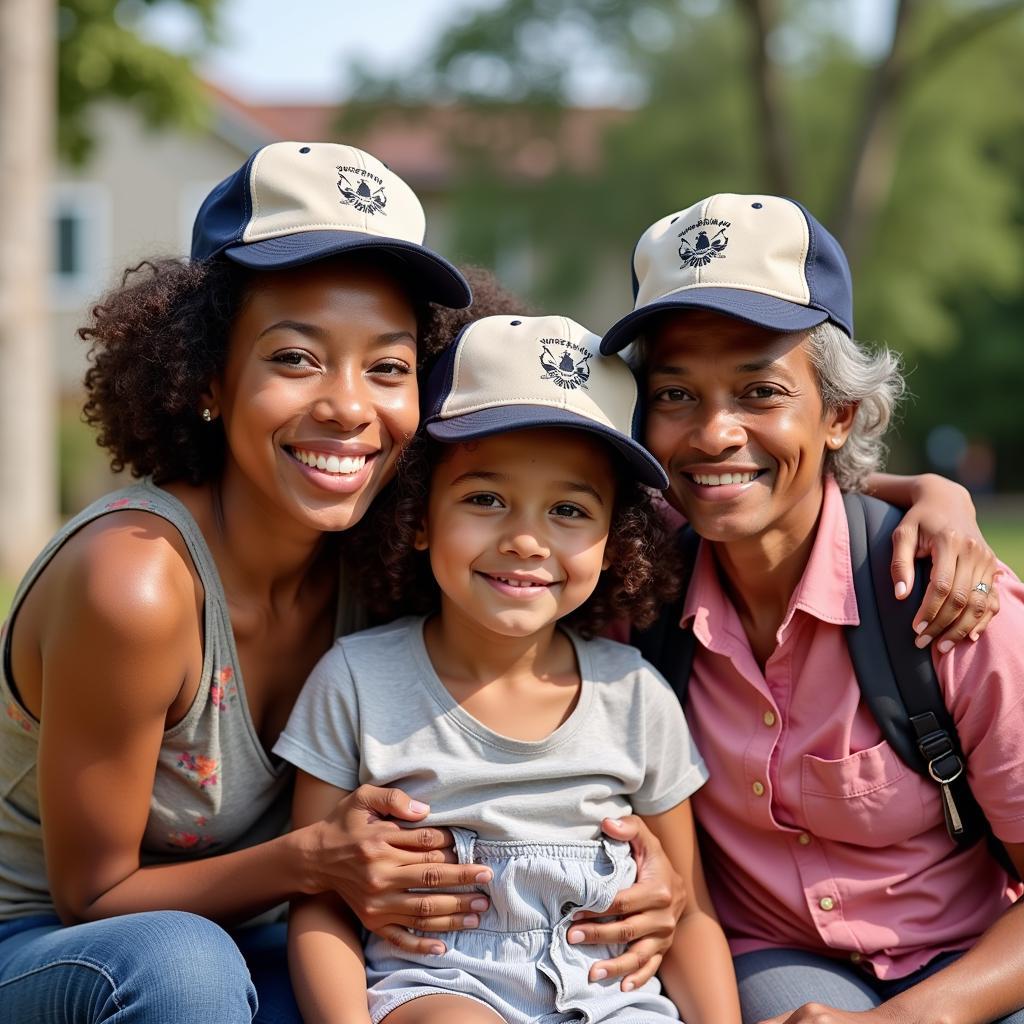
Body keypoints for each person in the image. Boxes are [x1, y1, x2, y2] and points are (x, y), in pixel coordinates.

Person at [0, 137, 998, 1024]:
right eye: (296, 357)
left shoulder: (374, 539)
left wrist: (914, 496)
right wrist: (312, 863)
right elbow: (92, 895)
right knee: (191, 971)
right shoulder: (135, 581)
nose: (348, 408)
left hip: (298, 941)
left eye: (387, 368)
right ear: (205, 375)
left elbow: (636, 503)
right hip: (91, 944)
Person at [599, 193, 1024, 1024]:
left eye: (760, 392)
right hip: (772, 956)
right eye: (676, 395)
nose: (715, 433)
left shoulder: (949, 608)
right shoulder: (633, 589)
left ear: (839, 415)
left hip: (976, 962)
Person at [274, 313, 741, 1024]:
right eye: (485, 500)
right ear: (420, 515)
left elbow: (689, 912)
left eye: (568, 510)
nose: (525, 540)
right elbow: (318, 905)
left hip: (612, 998)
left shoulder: (634, 695)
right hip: (444, 990)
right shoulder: (357, 681)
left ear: (615, 542)